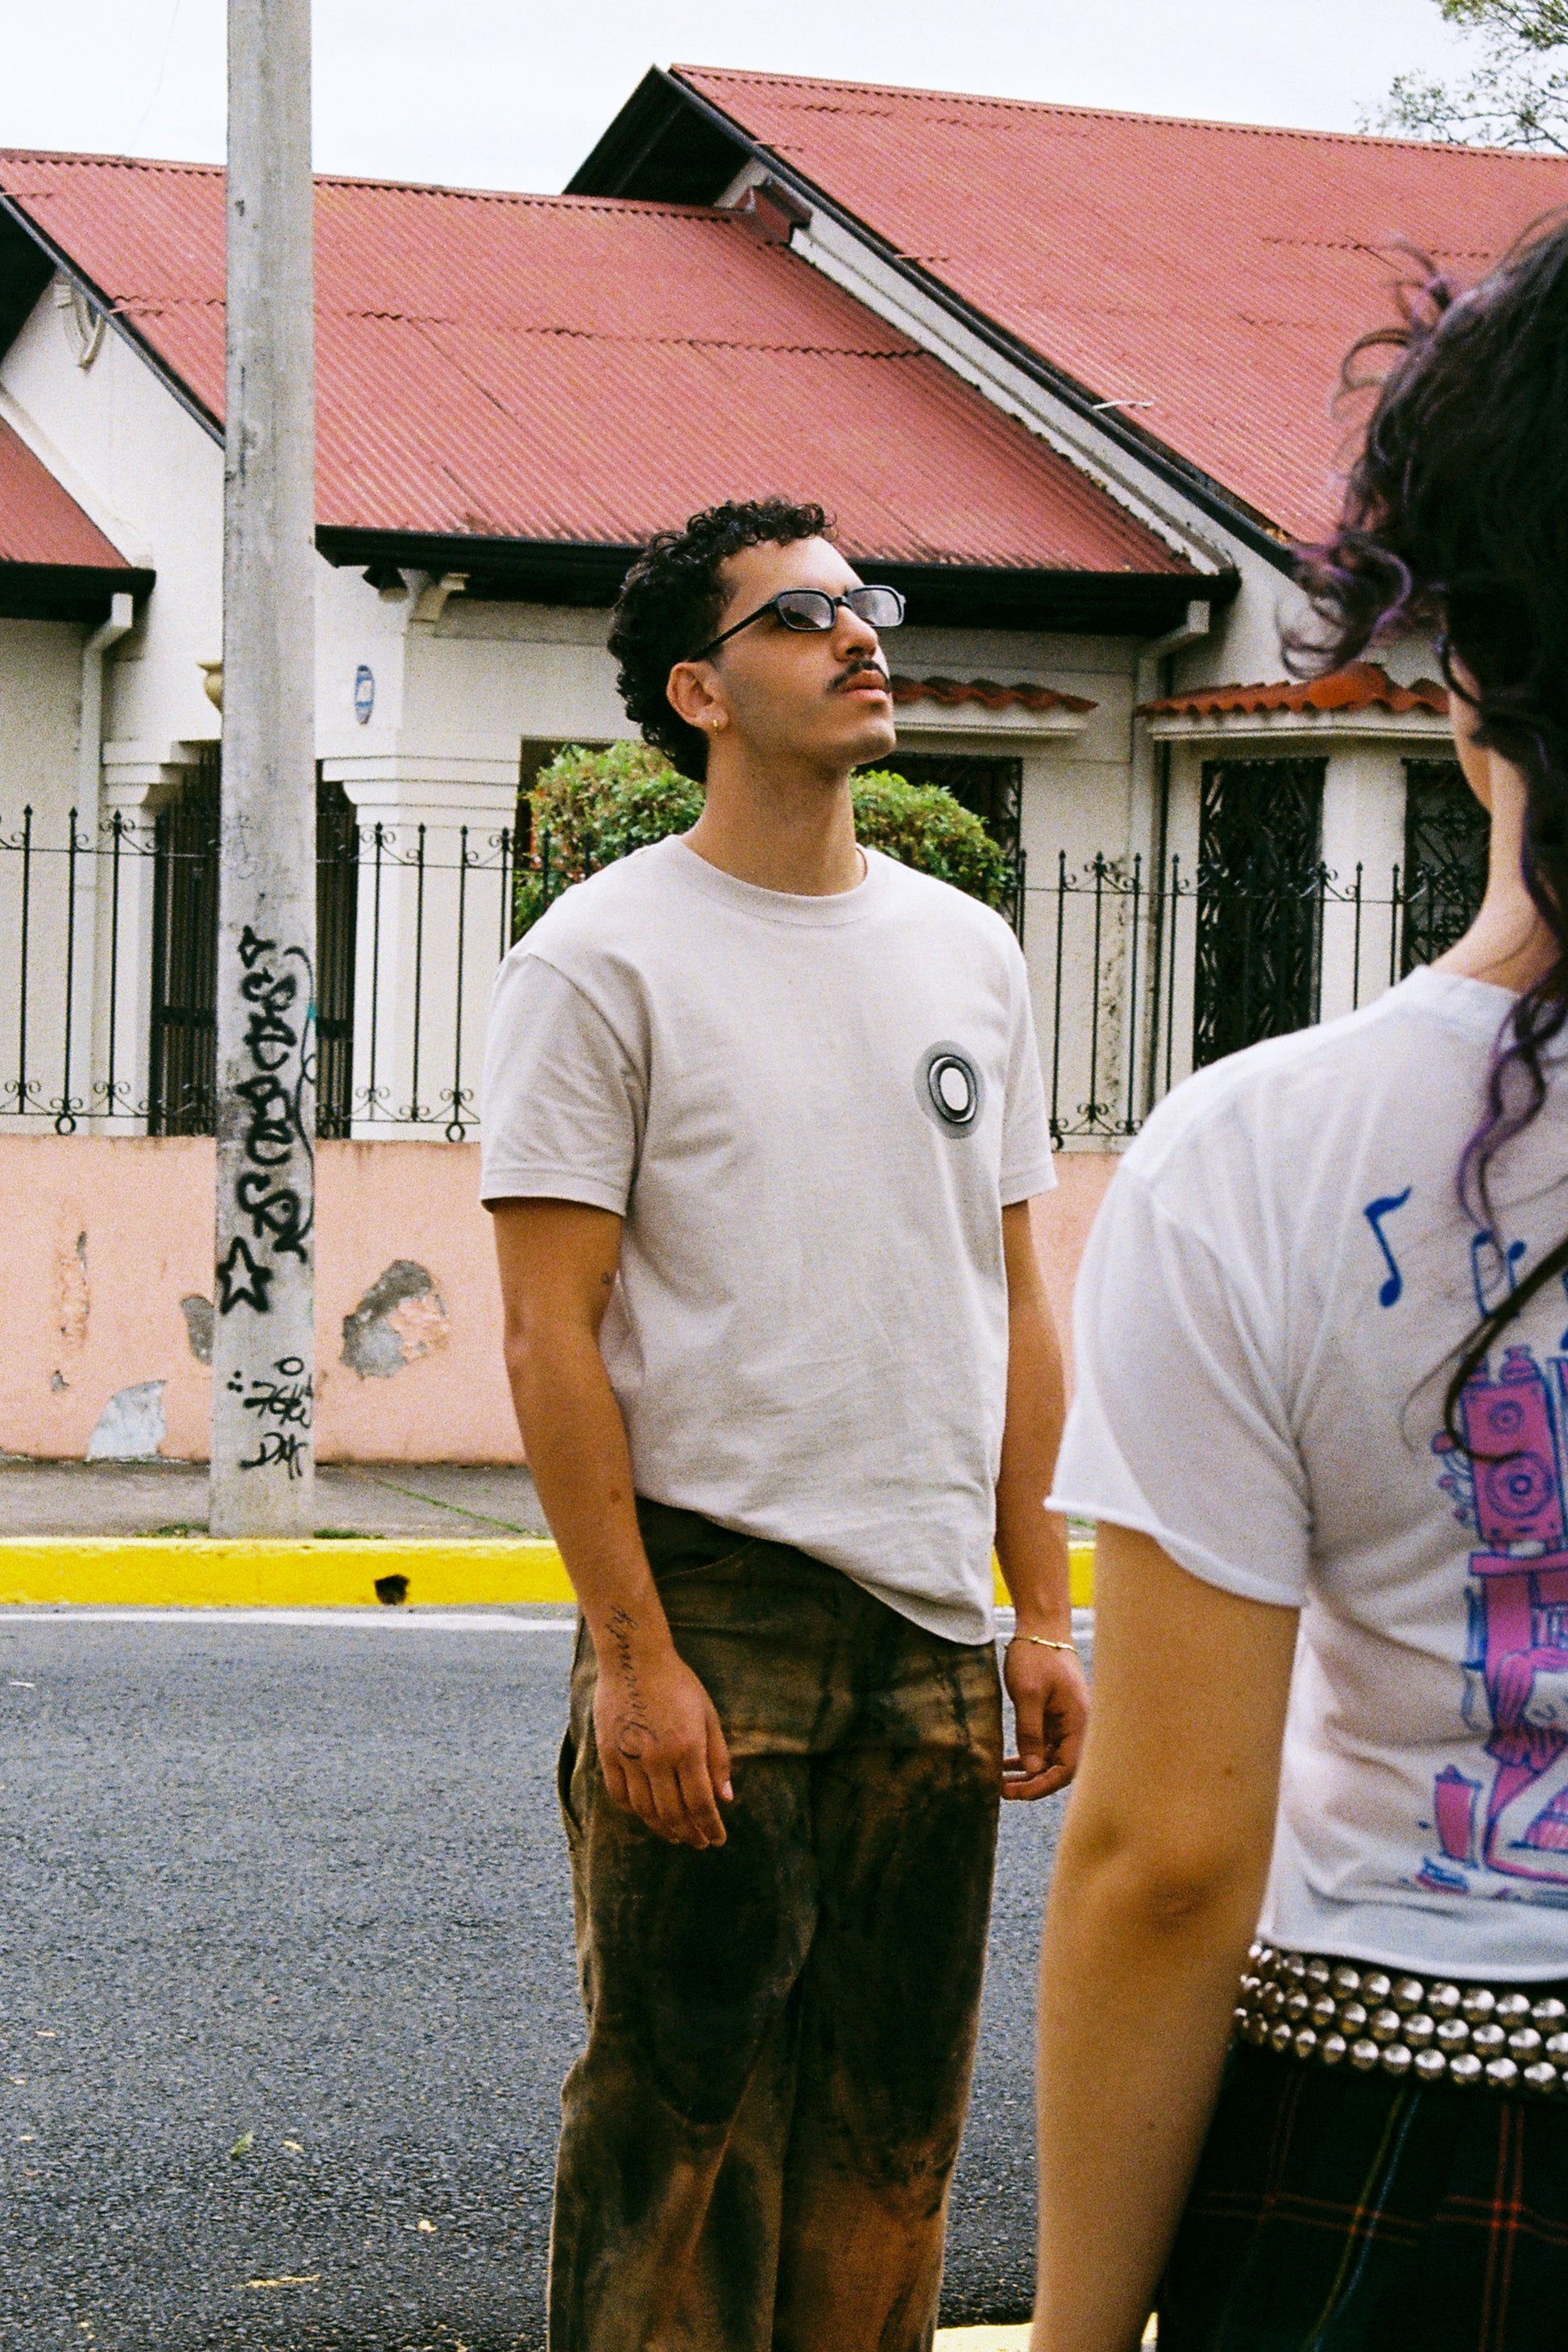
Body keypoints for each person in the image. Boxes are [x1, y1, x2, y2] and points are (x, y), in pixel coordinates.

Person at [1031, 222, 1568, 2352]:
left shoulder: (1254, 1156)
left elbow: (1168, 1853)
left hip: (1394, 2157)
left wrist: (1077, 2335)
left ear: (1461, 665)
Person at [479, 497, 1088, 2352]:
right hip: (715, 1604)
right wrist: (631, 1652)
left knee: (894, 2152)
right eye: (805, 613)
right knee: (676, 2143)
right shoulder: (600, 958)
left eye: (862, 600)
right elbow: (547, 1329)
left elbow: (1012, 1297)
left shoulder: (968, 952)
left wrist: (1041, 1609)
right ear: (700, 689)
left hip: (930, 1624)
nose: (860, 634)